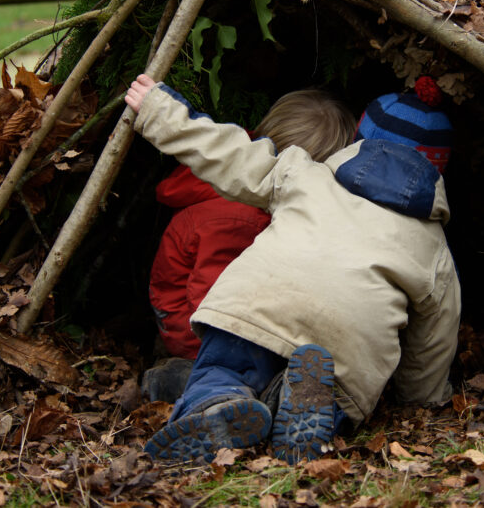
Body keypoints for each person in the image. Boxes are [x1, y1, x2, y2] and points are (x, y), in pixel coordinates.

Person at [125, 73, 460, 465]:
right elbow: (434, 339)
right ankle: (294, 398)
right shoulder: (434, 248)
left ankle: (211, 402)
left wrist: (159, 110)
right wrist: (423, 400)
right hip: (347, 346)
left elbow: (228, 154)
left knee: (223, 367)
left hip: (254, 308)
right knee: (333, 392)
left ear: (358, 141)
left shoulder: (302, 173)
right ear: (438, 170)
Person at [141, 90, 356, 402]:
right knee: (253, 371)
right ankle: (220, 390)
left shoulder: (233, 185)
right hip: (198, 331)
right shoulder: (239, 219)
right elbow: (216, 302)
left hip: (199, 314)